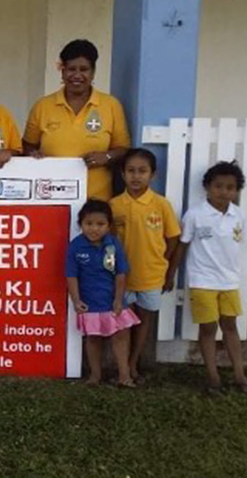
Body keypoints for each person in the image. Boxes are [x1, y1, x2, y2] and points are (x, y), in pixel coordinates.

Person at [167, 161, 247, 394]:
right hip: (202, 281)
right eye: (218, 186)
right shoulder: (196, 214)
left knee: (230, 326)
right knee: (208, 328)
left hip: (229, 282)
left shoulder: (238, 215)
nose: (224, 191)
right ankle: (213, 379)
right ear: (207, 187)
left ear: (236, 190)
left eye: (230, 187)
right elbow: (182, 246)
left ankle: (240, 376)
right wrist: (171, 274)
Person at [23, 39, 130, 201]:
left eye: (84, 69)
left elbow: (123, 149)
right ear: (62, 71)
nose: (77, 75)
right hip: (50, 199)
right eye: (71, 69)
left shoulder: (111, 105)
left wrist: (107, 157)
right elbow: (27, 145)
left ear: (93, 72)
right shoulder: (43, 106)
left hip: (95, 204)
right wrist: (34, 155)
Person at [111, 149, 180, 383]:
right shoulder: (115, 205)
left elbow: (173, 238)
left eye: (142, 171)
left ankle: (133, 365)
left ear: (153, 174)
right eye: (131, 171)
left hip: (152, 276)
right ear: (122, 174)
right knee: (123, 323)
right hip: (123, 278)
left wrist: (166, 269)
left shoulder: (160, 205)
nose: (136, 176)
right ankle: (123, 367)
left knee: (144, 322)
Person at [66, 199, 140, 386]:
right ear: (80, 224)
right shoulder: (75, 246)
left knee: (120, 336)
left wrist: (118, 300)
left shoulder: (113, 245)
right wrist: (76, 300)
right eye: (89, 224)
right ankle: (95, 376)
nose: (94, 229)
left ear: (108, 226)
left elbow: (121, 273)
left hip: (113, 302)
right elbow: (71, 276)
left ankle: (124, 375)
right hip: (90, 303)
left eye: (100, 224)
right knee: (93, 338)